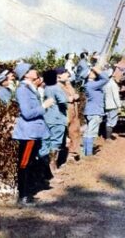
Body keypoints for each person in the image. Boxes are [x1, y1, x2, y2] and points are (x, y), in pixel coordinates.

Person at [12, 63, 55, 207]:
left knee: (29, 163)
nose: (35, 70)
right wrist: (44, 106)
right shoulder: (23, 90)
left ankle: (28, 194)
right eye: (31, 69)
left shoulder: (30, 88)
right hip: (28, 133)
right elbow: (27, 113)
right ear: (25, 74)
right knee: (24, 165)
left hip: (34, 133)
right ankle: (23, 196)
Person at [39, 70, 68, 174]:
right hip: (57, 118)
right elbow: (63, 101)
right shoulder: (56, 88)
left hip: (48, 118)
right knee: (56, 142)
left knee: (48, 142)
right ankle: (53, 166)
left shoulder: (46, 88)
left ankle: (47, 167)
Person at [55, 67, 81, 161]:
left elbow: (73, 94)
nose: (68, 74)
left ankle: (72, 153)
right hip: (65, 112)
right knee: (64, 134)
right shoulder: (56, 86)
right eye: (65, 73)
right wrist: (69, 98)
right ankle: (62, 158)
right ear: (59, 75)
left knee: (74, 131)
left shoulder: (67, 84)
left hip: (73, 110)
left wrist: (75, 96)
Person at [83, 66, 109, 156]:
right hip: (95, 111)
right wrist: (97, 68)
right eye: (92, 71)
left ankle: (86, 152)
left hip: (90, 110)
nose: (94, 72)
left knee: (87, 132)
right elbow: (106, 78)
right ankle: (88, 154)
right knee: (91, 133)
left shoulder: (89, 85)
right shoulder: (92, 84)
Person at [103, 68, 121, 141]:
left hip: (107, 105)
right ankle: (108, 137)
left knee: (108, 120)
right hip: (113, 105)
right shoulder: (113, 84)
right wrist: (119, 106)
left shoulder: (104, 84)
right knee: (111, 122)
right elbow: (116, 97)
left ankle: (107, 136)